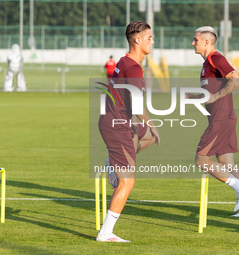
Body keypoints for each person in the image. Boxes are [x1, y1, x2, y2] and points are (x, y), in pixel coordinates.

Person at [97, 21, 160, 242]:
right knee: (128, 182)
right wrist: (151, 122)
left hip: (117, 121)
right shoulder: (133, 67)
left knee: (150, 136)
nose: (153, 41)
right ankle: (105, 233)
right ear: (137, 40)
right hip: (116, 126)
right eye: (149, 38)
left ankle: (112, 162)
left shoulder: (125, 61)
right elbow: (135, 104)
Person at [187, 26, 239, 216]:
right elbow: (211, 92)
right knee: (227, 163)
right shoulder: (206, 64)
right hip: (223, 119)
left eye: (196, 40)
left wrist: (215, 97)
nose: (193, 43)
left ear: (207, 42)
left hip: (221, 119)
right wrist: (195, 96)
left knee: (201, 160)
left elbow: (235, 80)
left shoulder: (215, 58)